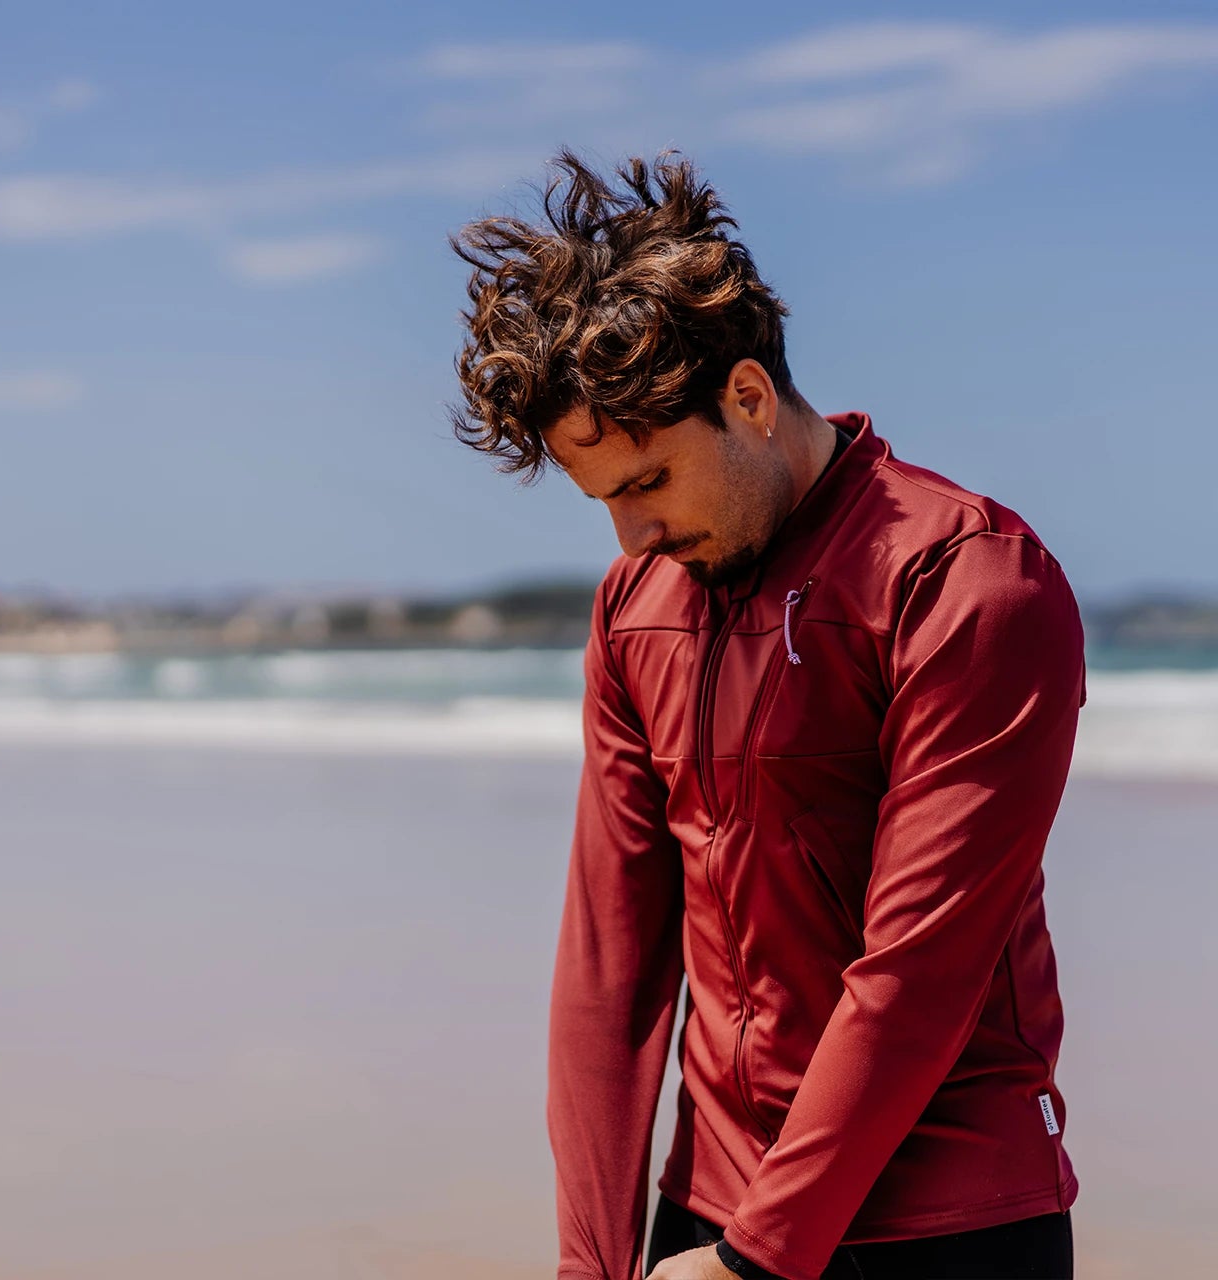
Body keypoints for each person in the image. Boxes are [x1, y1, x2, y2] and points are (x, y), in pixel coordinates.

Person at [449, 150, 1086, 1280]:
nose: (629, 536)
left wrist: (760, 1258)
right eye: (602, 501)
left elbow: (920, 964)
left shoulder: (967, 579)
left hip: (944, 1225)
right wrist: (593, 1262)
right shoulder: (636, 604)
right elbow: (613, 960)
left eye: (648, 482)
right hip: (705, 1212)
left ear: (747, 395)